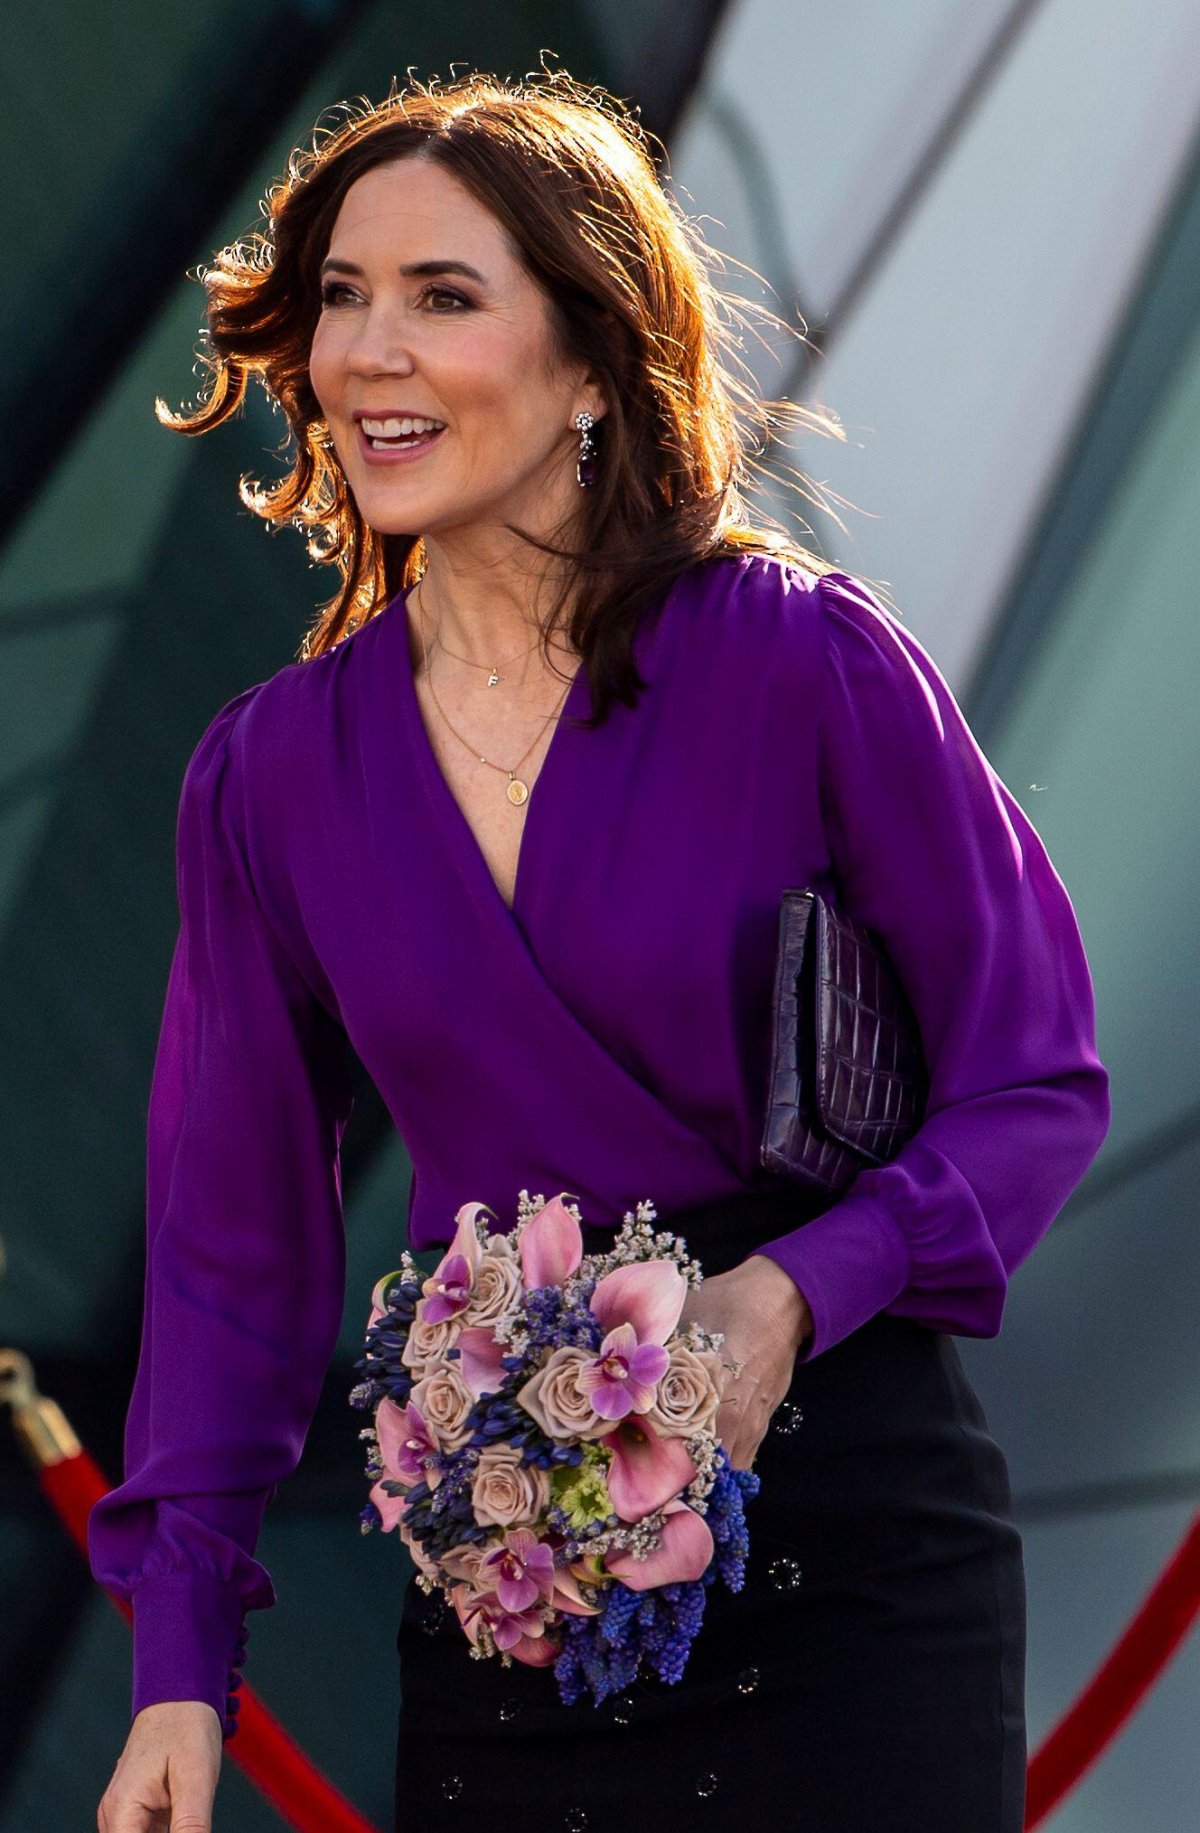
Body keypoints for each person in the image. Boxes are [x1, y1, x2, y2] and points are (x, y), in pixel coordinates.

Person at [87, 65, 1111, 1833]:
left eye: (442, 298)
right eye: (341, 297)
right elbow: (228, 1260)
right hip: (511, 1615)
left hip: (851, 1571)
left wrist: (795, 1292)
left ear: (586, 360)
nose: (367, 353)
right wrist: (182, 1669)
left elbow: (1037, 1077)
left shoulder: (803, 660)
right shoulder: (267, 779)